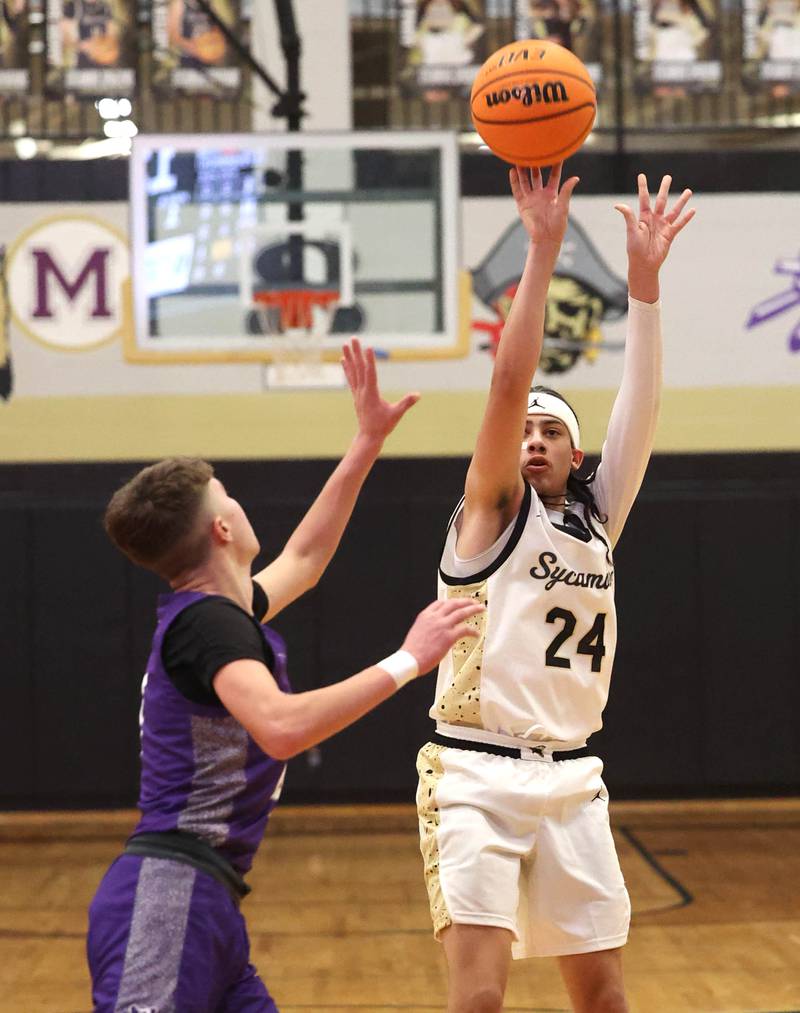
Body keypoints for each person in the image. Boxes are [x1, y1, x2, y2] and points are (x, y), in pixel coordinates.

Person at [87, 338, 484, 1013]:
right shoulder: (209, 626)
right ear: (221, 527)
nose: (240, 504)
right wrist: (409, 658)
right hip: (167, 894)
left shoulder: (221, 613)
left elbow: (306, 554)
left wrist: (366, 441)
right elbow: (279, 726)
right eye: (229, 495)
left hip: (207, 899)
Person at [416, 165, 695, 1012]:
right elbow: (507, 384)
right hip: (475, 772)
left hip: (574, 777)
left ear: (576, 457)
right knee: (480, 1000)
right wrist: (541, 252)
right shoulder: (490, 515)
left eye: (553, 431)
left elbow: (640, 414)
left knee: (606, 999)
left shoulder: (594, 521)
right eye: (525, 430)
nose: (532, 438)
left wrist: (642, 291)